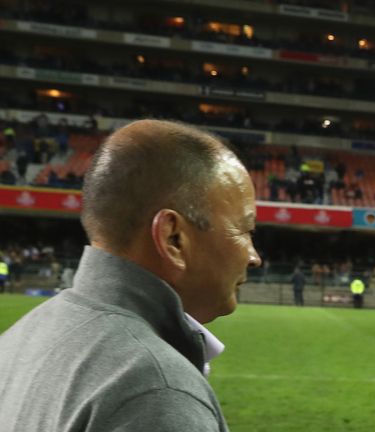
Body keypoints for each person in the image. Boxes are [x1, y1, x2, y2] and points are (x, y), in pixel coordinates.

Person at [0, 119, 261, 431]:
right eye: (244, 230)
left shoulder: (23, 335)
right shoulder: (157, 391)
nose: (254, 256)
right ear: (173, 239)